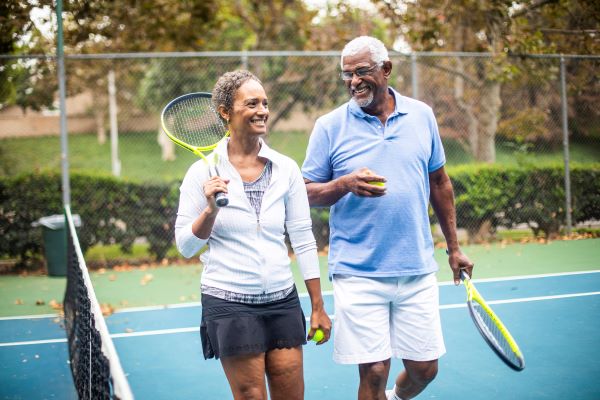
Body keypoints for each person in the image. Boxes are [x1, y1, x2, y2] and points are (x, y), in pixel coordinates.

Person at [301, 36, 474, 400]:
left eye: (361, 71)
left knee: (424, 369)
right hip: (357, 271)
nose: (353, 81)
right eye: (346, 75)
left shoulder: (422, 115)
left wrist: (453, 249)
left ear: (386, 69)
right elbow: (303, 192)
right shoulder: (329, 126)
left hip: (416, 267)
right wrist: (344, 185)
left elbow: (439, 182)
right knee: (375, 372)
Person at [175, 70, 331, 400]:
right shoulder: (201, 172)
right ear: (225, 112)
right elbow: (186, 246)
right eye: (251, 103)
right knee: (251, 396)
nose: (262, 110)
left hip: (282, 299)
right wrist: (210, 210)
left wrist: (317, 305)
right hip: (229, 301)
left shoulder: (286, 167)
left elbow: (302, 237)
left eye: (264, 103)